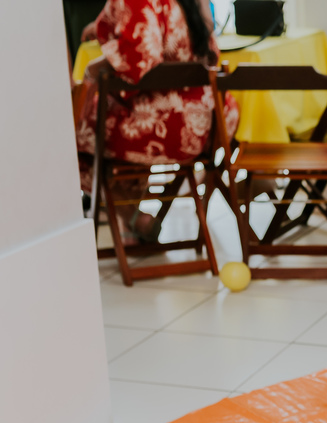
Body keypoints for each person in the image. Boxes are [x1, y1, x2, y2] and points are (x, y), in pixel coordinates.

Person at [75, 0, 239, 243]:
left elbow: (139, 57)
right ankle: (132, 221)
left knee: (71, 132)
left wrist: (91, 70)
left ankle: (131, 215)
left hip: (169, 130)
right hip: (211, 123)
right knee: (108, 114)